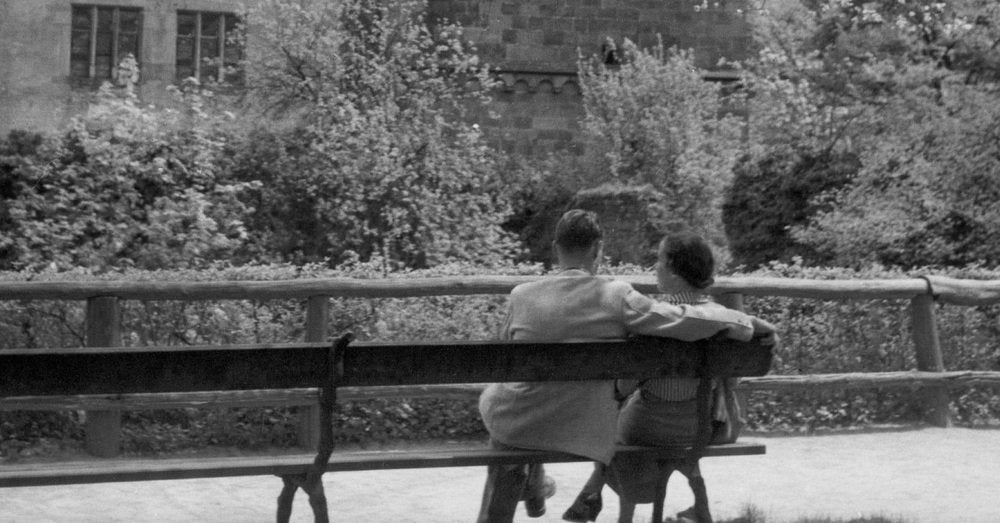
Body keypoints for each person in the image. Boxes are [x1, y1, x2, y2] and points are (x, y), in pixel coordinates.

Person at [476, 210, 777, 522]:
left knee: (508, 414)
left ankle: (517, 496)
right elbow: (680, 318)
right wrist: (743, 320)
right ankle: (534, 483)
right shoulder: (615, 296)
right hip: (583, 430)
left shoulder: (521, 295)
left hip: (519, 425)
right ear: (597, 251)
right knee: (532, 409)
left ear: (555, 250)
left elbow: (504, 366)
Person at [563, 231, 739, 523]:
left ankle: (605, 502)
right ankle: (596, 495)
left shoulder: (653, 320)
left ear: (672, 267)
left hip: (647, 427)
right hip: (700, 428)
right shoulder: (722, 318)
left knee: (613, 422)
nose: (654, 266)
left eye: (658, 259)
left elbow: (624, 386)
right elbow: (731, 382)